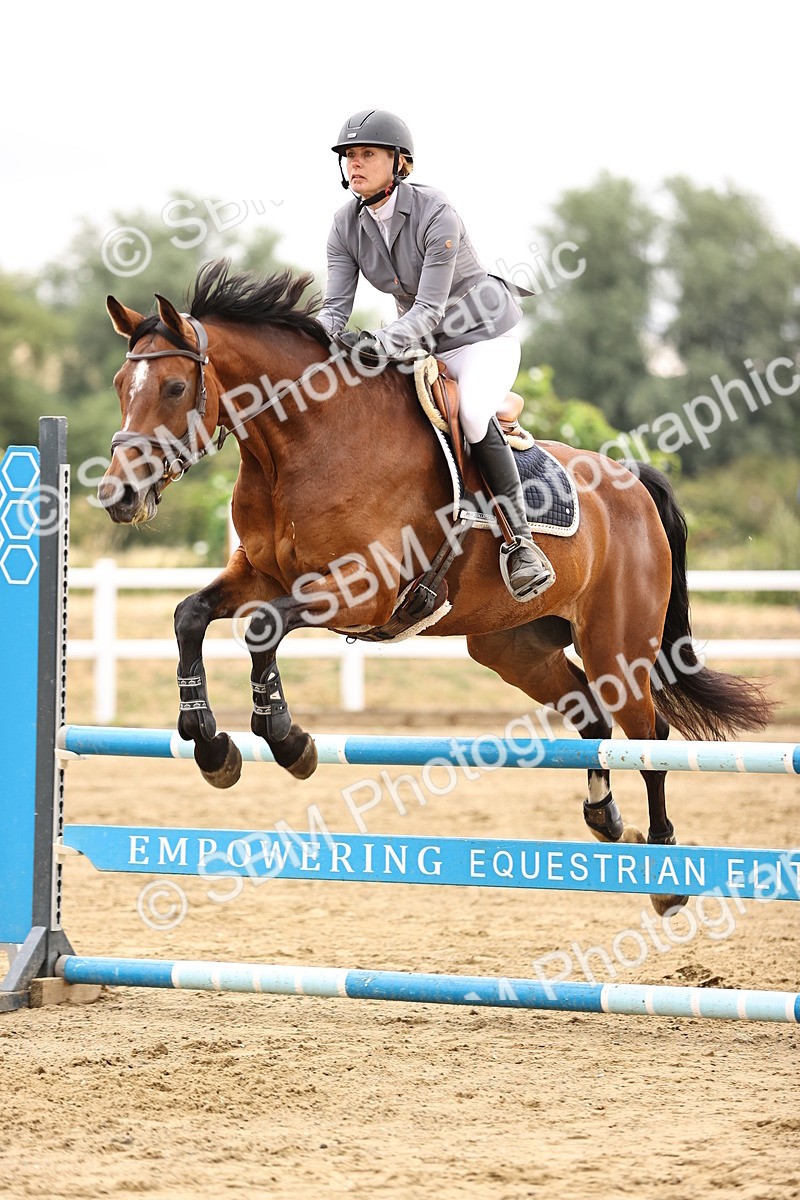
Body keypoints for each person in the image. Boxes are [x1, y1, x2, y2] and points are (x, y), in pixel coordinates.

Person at [317, 109, 555, 603]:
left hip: (483, 336)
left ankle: (521, 545)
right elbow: (333, 312)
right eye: (350, 156)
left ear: (399, 162)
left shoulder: (435, 211)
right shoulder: (345, 225)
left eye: (367, 155)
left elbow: (427, 310)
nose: (355, 164)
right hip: (423, 345)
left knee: (469, 413)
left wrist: (376, 344)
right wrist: (305, 353)